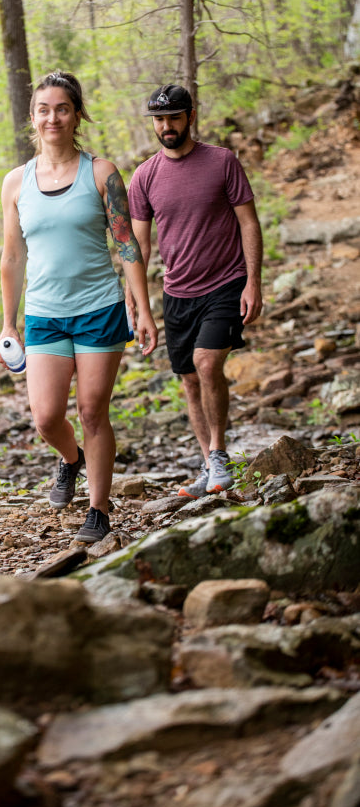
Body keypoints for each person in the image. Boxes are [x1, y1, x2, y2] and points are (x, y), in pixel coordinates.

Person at [0, 70, 158, 543]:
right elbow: (11, 256)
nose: (53, 118)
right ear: (33, 117)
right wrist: (8, 321)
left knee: (92, 411)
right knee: (46, 417)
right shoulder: (15, 182)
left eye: (62, 108)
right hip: (43, 312)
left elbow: (127, 246)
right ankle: (71, 460)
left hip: (99, 308)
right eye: (43, 109)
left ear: (77, 114)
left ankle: (99, 509)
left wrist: (143, 310)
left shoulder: (102, 173)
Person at [127, 83, 263, 497]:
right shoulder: (144, 176)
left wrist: (254, 281)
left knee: (206, 364)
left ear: (190, 116)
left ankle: (219, 455)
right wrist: (139, 306)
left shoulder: (222, 162)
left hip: (225, 282)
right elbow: (137, 247)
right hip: (177, 293)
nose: (166, 126)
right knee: (188, 379)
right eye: (159, 119)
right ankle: (209, 466)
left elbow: (249, 223)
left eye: (173, 117)